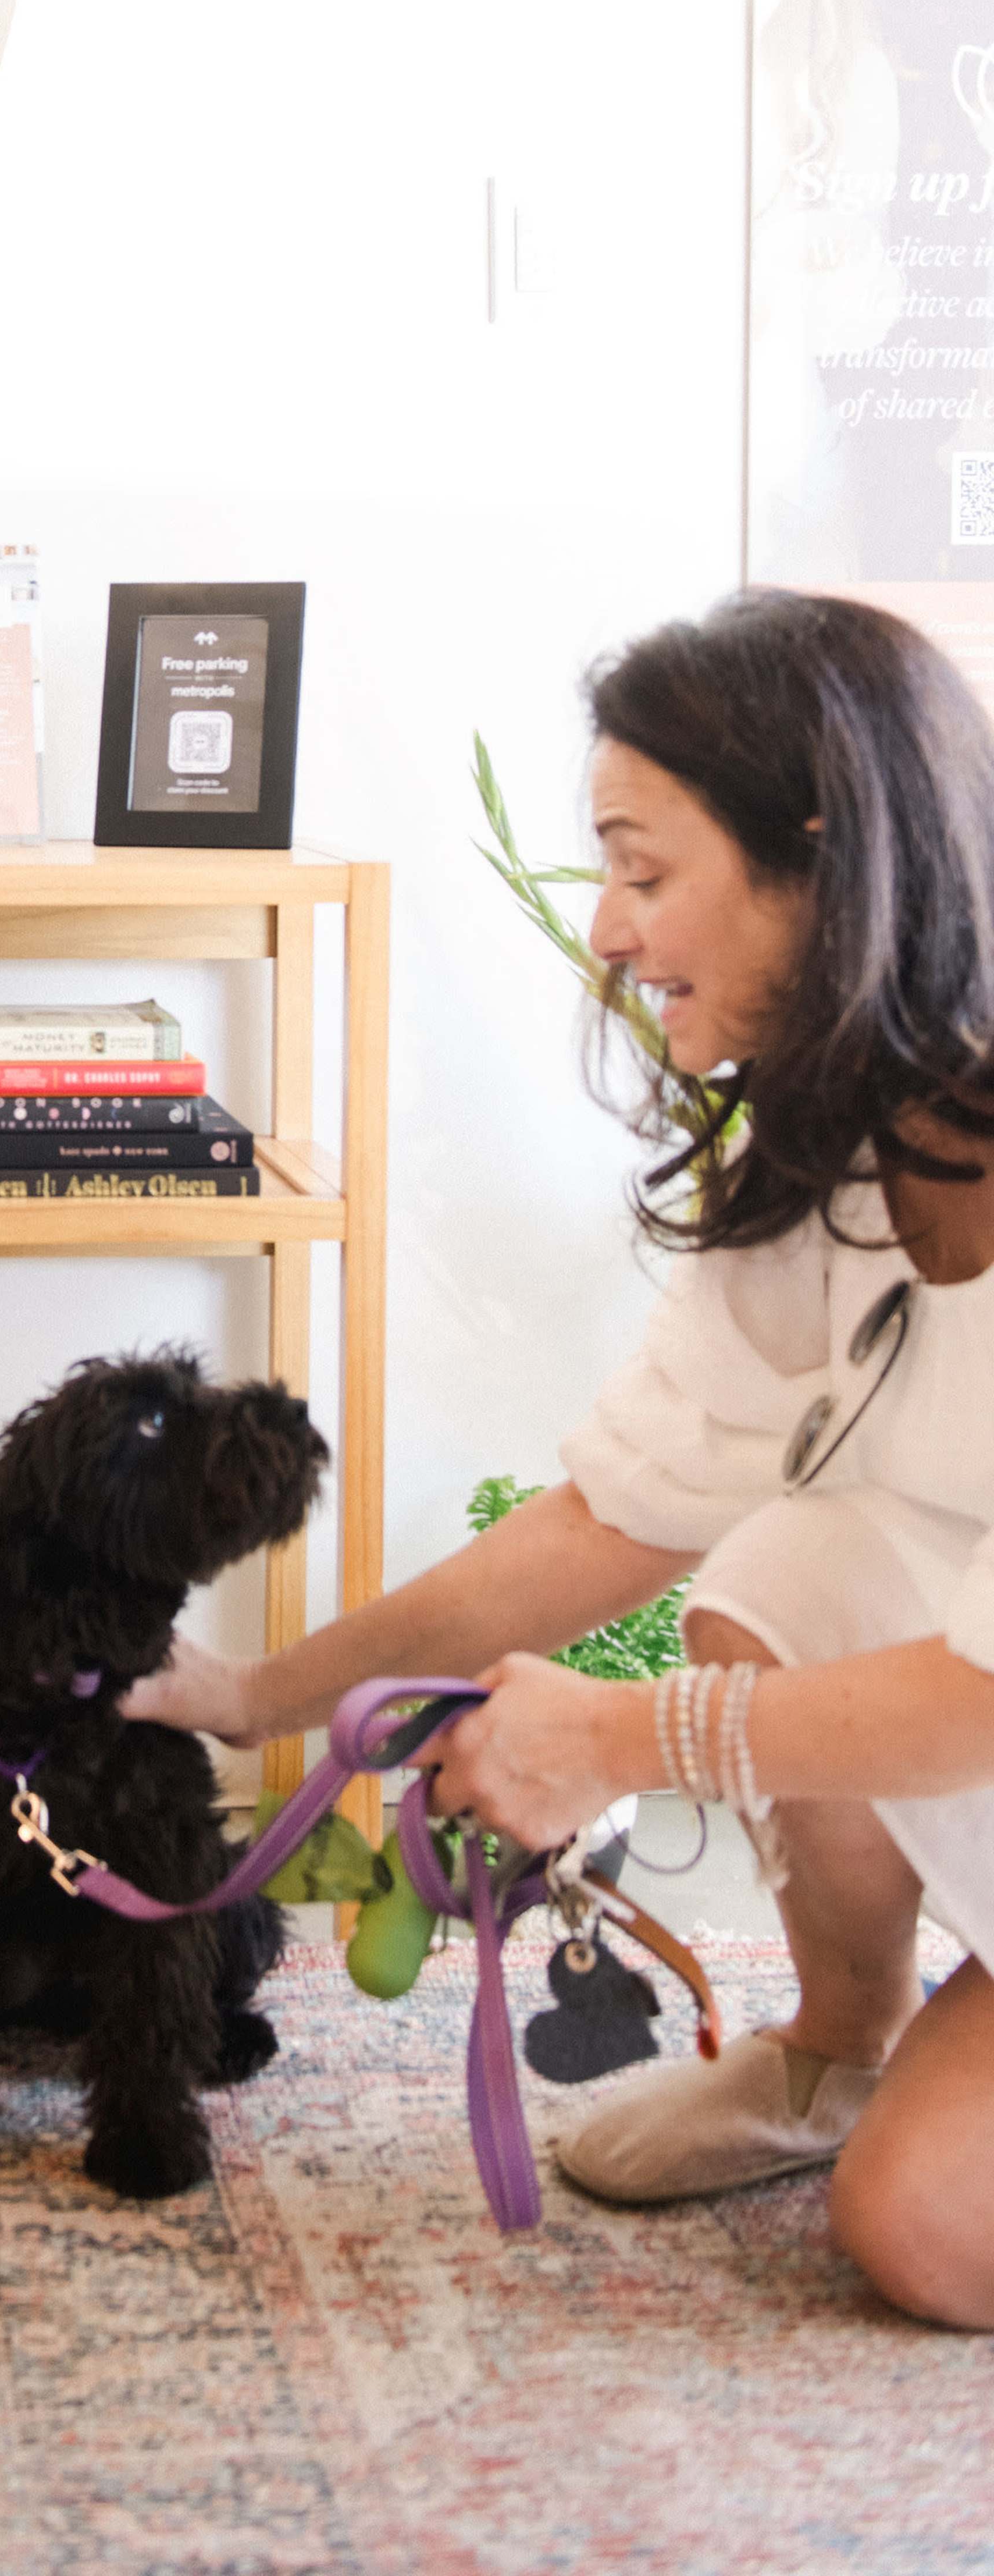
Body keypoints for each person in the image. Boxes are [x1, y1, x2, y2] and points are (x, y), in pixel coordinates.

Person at [122, 591, 994, 2328]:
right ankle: (841, 2042)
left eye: (647, 870)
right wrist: (264, 1695)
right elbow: (621, 1511)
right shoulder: (831, 1166)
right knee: (782, 1571)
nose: (608, 929)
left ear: (820, 857)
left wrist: (611, 1738)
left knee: (929, 2238)